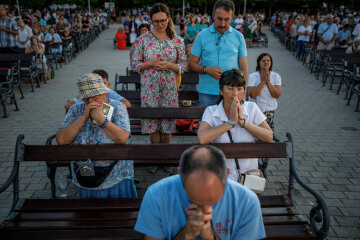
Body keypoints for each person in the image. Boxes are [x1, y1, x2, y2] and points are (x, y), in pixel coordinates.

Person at [135, 145, 266, 239]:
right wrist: (186, 235)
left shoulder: (247, 201)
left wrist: (210, 236)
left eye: (212, 200)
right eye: (194, 199)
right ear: (181, 175)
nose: (205, 210)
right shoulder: (156, 195)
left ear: (226, 175)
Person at [56, 73, 137, 199]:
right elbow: (61, 139)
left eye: (95, 96)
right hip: (85, 173)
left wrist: (101, 120)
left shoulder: (118, 107)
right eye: (86, 98)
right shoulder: (76, 109)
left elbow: (122, 138)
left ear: (104, 93)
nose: (90, 101)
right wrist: (84, 117)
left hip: (115, 173)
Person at [197, 69, 272, 181]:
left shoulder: (252, 108)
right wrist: (230, 122)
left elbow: (269, 136)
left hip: (249, 175)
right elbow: (202, 138)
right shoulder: (211, 111)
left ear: (243, 91)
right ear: (221, 91)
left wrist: (243, 122)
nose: (235, 93)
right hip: (220, 174)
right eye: (230, 88)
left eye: (239, 89)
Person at [131, 3, 187, 144]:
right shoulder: (142, 40)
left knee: (167, 126)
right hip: (149, 90)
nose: (160, 24)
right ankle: (155, 159)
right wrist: (149, 64)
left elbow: (184, 66)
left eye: (163, 20)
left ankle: (165, 159)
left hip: (170, 90)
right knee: (153, 127)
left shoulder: (177, 40)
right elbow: (134, 64)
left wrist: (169, 65)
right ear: (151, 20)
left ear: (168, 19)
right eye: (156, 21)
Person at [190, 0, 248, 108]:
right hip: (207, 92)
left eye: (227, 20)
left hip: (232, 93)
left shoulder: (239, 36)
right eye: (219, 19)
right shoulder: (202, 36)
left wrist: (243, 93)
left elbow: (244, 68)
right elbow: (192, 63)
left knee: (231, 124)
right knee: (207, 125)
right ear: (213, 16)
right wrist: (206, 69)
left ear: (232, 17)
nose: (222, 24)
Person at [248, 53, 281, 141]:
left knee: (267, 136)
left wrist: (268, 82)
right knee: (254, 136)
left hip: (269, 112)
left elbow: (277, 94)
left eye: (268, 60)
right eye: (263, 61)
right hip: (255, 111)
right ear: (259, 63)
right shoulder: (252, 76)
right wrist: (262, 82)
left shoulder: (276, 76)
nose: (266, 62)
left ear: (271, 63)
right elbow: (252, 94)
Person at [64, 69, 131, 111]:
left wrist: (105, 105)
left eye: (103, 83)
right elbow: (67, 105)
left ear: (108, 85)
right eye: (97, 84)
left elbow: (127, 104)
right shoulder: (86, 95)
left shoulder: (110, 94)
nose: (100, 87)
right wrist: (86, 108)